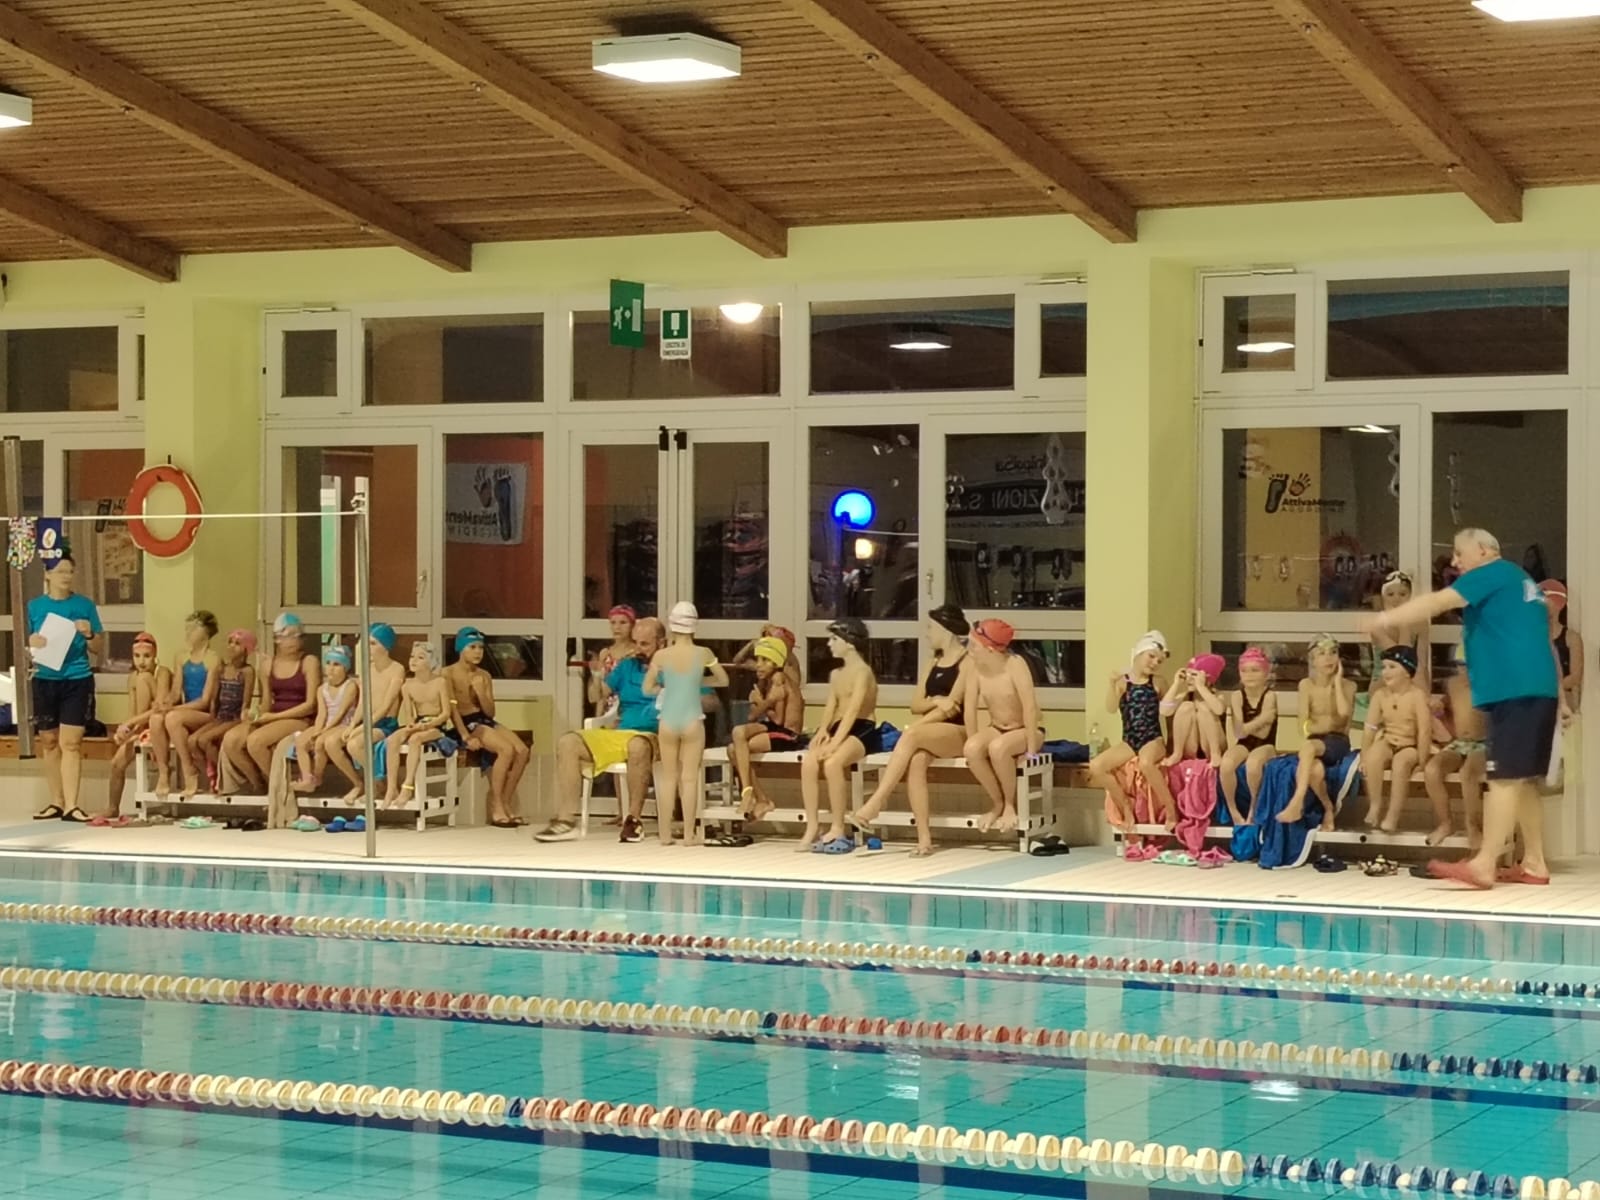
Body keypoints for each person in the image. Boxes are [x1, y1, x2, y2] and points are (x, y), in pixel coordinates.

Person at [1364, 528, 1568, 889]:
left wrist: (1385, 619)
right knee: (1521, 780)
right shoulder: (1519, 581)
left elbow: (1439, 602)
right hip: (1534, 689)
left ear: (1485, 550)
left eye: (1460, 553)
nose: (1455, 561)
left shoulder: (1492, 573)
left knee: (1503, 777)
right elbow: (1538, 643)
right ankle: (1534, 862)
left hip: (1517, 690)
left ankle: (1484, 864)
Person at [848, 604, 971, 856]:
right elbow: (916, 705)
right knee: (915, 762)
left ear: (945, 629)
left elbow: (952, 708)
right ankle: (924, 839)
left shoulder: (968, 662)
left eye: (930, 628)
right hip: (929, 733)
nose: (927, 633)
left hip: (959, 731)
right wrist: (936, 700)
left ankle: (876, 802)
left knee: (912, 735)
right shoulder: (932, 663)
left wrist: (915, 727)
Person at [535, 617, 665, 843]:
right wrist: (597, 674)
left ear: (661, 643)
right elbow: (597, 696)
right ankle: (566, 820)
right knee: (568, 742)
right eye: (636, 642)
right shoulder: (627, 666)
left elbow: (710, 702)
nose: (638, 649)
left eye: (644, 644)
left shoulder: (674, 668)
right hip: (620, 732)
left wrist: (673, 698)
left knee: (637, 745)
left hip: (654, 735)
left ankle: (633, 820)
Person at [643, 602, 729, 845]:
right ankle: (690, 834)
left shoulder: (661, 656)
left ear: (672, 626)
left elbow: (647, 688)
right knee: (690, 778)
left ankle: (664, 834)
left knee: (668, 778)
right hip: (692, 719)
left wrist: (667, 688)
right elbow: (723, 680)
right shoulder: (704, 654)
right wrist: (696, 682)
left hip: (668, 720)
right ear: (694, 626)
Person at [27, 554, 103, 823]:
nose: (66, 576)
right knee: (49, 741)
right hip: (45, 678)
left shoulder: (84, 605)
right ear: (47, 575)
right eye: (60, 571)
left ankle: (72, 804)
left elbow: (98, 648)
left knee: (71, 742)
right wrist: (32, 643)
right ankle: (56, 801)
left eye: (70, 571)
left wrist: (89, 633)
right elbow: (26, 648)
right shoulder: (35, 607)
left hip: (76, 678)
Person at [798, 618, 880, 853]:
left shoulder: (863, 672)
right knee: (809, 762)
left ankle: (837, 826)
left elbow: (854, 710)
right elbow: (831, 706)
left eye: (834, 639)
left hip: (862, 728)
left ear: (850, 643)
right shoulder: (835, 674)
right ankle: (812, 825)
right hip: (839, 727)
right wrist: (823, 731)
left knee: (833, 764)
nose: (829, 644)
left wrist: (835, 742)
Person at [220, 612, 320, 794]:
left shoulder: (309, 662)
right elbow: (266, 702)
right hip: (274, 716)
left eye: (297, 636)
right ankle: (258, 782)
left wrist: (273, 717)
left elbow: (310, 705)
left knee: (256, 741)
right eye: (288, 636)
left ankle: (281, 787)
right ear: (277, 639)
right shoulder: (267, 665)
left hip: (301, 718)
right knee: (231, 740)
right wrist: (255, 714)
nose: (294, 641)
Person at [1088, 631, 1176, 833]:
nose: (1154, 663)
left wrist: (1171, 743)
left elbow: (1169, 715)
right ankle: (1125, 805)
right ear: (1138, 654)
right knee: (1096, 766)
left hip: (1153, 739)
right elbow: (1111, 708)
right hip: (1129, 741)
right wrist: (1111, 684)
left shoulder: (1158, 682)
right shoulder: (1122, 682)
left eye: (1159, 661)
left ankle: (1171, 808)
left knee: (1146, 763)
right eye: (1151, 656)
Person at [961, 618, 1043, 834]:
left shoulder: (1015, 665)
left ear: (990, 649)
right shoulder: (975, 668)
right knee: (971, 749)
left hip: (1026, 730)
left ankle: (1009, 804)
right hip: (997, 728)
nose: (969, 650)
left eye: (974, 645)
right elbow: (969, 709)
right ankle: (997, 802)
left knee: (998, 748)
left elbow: (1030, 708)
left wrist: (1031, 751)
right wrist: (971, 741)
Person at [446, 628, 532, 828]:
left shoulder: (484, 675)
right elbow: (452, 710)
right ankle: (497, 805)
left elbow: (490, 712)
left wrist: (480, 693)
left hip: (483, 720)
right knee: (506, 750)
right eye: (472, 647)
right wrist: (465, 736)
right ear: (461, 648)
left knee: (522, 751)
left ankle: (505, 801)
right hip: (465, 723)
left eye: (481, 648)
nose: (478, 652)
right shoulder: (447, 673)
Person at [1276, 635, 1356, 830]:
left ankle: (1297, 801)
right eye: (1322, 654)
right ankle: (1328, 809)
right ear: (1312, 660)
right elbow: (1302, 725)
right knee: (1315, 770)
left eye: (1333, 653)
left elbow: (1344, 715)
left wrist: (1337, 683)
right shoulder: (1306, 685)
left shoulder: (1349, 686)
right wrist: (1320, 727)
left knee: (1309, 747)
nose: (1329, 658)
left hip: (1338, 742)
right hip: (1314, 743)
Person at [324, 623, 407, 803]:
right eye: (367, 643)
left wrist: (362, 728)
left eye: (373, 643)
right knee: (335, 742)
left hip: (386, 724)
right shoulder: (367, 669)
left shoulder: (397, 669)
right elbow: (363, 703)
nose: (368, 647)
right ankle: (360, 783)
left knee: (354, 745)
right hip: (368, 722)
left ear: (386, 646)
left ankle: (378, 783)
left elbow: (385, 707)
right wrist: (353, 725)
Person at [728, 635, 804, 820]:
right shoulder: (767, 681)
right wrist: (761, 702)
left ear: (776, 663)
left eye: (765, 660)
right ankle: (756, 796)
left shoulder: (779, 678)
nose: (759, 665)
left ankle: (751, 795)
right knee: (735, 741)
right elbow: (752, 716)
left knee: (737, 748)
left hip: (789, 735)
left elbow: (778, 720)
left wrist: (762, 701)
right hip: (774, 729)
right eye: (758, 660)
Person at [1359, 645, 1432, 833]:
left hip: (1409, 745)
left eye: (1392, 667)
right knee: (1374, 757)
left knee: (1400, 764)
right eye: (1383, 667)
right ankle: (1375, 805)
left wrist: (1422, 760)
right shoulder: (1380, 695)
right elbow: (1370, 729)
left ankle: (1393, 815)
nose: (1386, 672)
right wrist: (1364, 755)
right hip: (1388, 740)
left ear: (1407, 672)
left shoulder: (1417, 696)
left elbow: (1424, 731)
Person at [148, 610, 220, 798]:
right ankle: (163, 772)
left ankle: (189, 770)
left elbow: (204, 701)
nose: (188, 633)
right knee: (156, 719)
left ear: (205, 633)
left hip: (206, 715)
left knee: (173, 718)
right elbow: (175, 692)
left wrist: (173, 708)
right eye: (187, 629)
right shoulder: (181, 657)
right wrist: (165, 702)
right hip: (184, 711)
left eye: (193, 629)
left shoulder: (213, 659)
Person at [102, 632, 171, 824]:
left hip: (160, 723)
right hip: (140, 725)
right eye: (137, 656)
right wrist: (126, 731)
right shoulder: (132, 677)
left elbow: (160, 708)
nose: (141, 661)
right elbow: (133, 712)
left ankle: (136, 732)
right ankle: (113, 807)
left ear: (155, 655)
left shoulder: (162, 673)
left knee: (144, 678)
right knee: (116, 764)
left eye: (147, 656)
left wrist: (129, 725)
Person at [1425, 644, 1486, 848]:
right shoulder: (1452, 684)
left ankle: (1473, 826)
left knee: (1468, 773)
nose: (1464, 671)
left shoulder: (1491, 684)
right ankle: (1445, 823)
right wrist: (1439, 708)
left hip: (1485, 743)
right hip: (1459, 743)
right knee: (1432, 770)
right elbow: (1447, 707)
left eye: (1469, 666)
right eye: (1460, 666)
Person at [382, 642, 454, 808]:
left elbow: (446, 714)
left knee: (415, 739)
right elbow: (409, 716)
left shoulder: (440, 682)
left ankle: (407, 786)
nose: (413, 661)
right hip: (419, 723)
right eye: (412, 656)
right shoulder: (407, 686)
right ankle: (391, 788)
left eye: (420, 657)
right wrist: (411, 726)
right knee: (393, 739)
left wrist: (427, 726)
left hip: (437, 726)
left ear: (431, 662)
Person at [1218, 647, 1278, 825]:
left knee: (1253, 764)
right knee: (1226, 763)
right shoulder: (1237, 696)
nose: (1249, 675)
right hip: (1244, 743)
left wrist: (1246, 727)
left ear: (1266, 674)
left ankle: (1253, 807)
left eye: (1255, 670)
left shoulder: (1270, 696)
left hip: (1266, 744)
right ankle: (1233, 810)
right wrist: (1263, 719)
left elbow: (1264, 734)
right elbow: (1239, 732)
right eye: (1244, 671)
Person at [193, 630, 256, 793]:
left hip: (235, 718)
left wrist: (243, 718)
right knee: (192, 741)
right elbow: (214, 699)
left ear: (246, 649)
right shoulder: (221, 669)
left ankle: (229, 773)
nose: (231, 646)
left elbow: (246, 701)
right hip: (220, 717)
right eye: (230, 642)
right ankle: (211, 774)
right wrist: (212, 720)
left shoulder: (247, 671)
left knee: (205, 740)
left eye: (237, 643)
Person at [290, 645, 360, 792]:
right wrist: (317, 730)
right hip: (327, 725)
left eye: (336, 664)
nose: (331, 668)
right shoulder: (322, 689)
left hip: (343, 724)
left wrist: (322, 732)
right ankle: (307, 778)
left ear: (345, 668)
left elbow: (341, 713)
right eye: (328, 663)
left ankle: (317, 776)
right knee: (301, 741)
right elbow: (322, 714)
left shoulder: (350, 686)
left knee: (320, 742)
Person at [1161, 653, 1227, 768]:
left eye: (1194, 675)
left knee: (1204, 707)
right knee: (1186, 706)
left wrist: (1201, 687)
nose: (1189, 678)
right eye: (1187, 674)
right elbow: (1164, 711)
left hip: (1212, 746)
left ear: (1208, 678)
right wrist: (1176, 684)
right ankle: (1177, 753)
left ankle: (1215, 754)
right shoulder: (1184, 696)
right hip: (1191, 746)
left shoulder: (1218, 697)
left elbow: (1219, 710)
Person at [1370, 570, 1430, 691]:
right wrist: (1404, 624)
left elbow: (1422, 663)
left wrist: (1424, 690)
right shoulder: (1377, 624)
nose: (1396, 599)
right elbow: (1400, 660)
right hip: (1383, 678)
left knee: (1420, 681)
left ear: (1410, 596)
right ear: (1383, 596)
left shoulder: (1421, 622)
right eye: (1390, 594)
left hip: (1412, 676)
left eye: (1402, 594)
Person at [1542, 580, 1584, 714]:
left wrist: (1550, 689)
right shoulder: (1532, 638)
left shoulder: (1571, 638)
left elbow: (1575, 677)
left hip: (1563, 701)